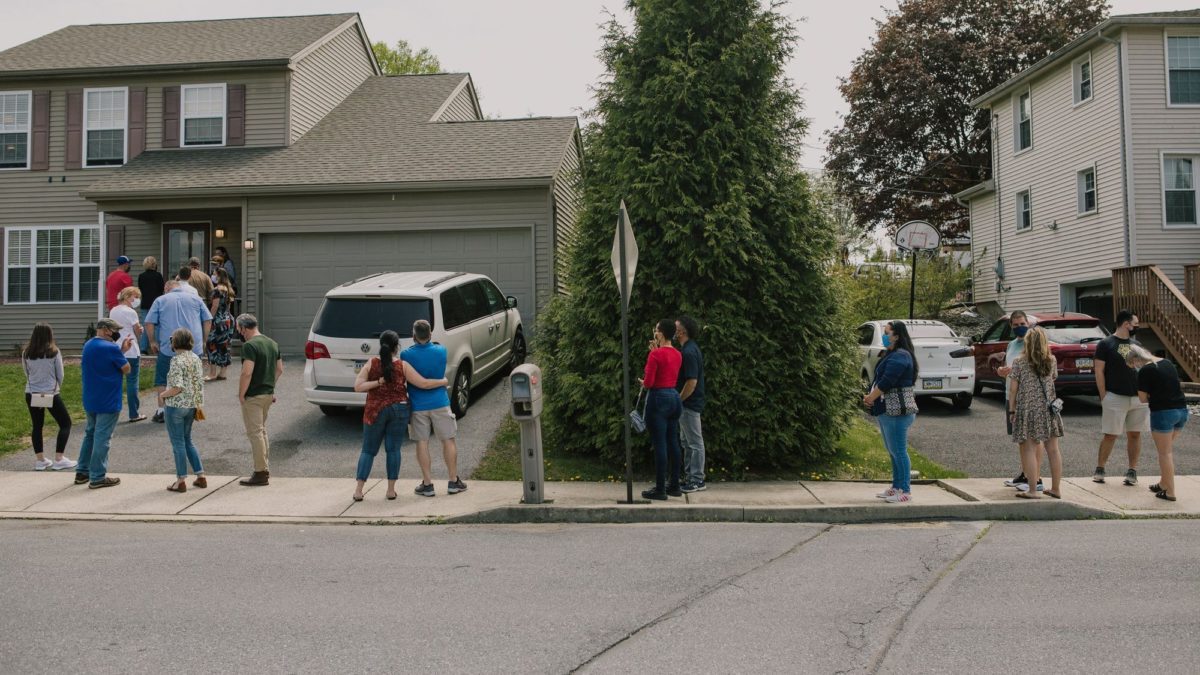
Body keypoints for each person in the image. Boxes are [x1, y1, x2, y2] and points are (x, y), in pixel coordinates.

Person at [351, 330, 447, 502]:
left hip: (375, 410)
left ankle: (359, 491)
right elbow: (423, 383)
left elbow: (358, 387)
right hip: (399, 409)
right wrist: (443, 381)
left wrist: (378, 382)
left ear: (381, 345)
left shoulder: (371, 363)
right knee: (393, 450)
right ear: (397, 347)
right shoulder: (402, 365)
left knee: (368, 450)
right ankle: (390, 490)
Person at [402, 319, 467, 497]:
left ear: (413, 335)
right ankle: (453, 481)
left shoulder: (405, 355)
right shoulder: (441, 351)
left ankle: (428, 484)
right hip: (440, 402)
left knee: (422, 442)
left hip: (417, 405)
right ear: (430, 334)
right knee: (448, 440)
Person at [863, 320, 919, 504]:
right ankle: (896, 486)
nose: (885, 336)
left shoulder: (901, 356)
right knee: (893, 451)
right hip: (887, 410)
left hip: (896, 411)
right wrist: (872, 395)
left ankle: (905, 491)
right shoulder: (892, 353)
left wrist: (872, 397)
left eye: (887, 333)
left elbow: (887, 381)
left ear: (896, 335)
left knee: (899, 451)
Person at [1093, 310, 1150, 485]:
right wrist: (1104, 396)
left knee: (1135, 434)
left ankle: (1132, 470)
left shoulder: (1136, 344)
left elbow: (1143, 369)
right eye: (1135, 324)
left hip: (1138, 398)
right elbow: (1099, 371)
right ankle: (1100, 468)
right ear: (1126, 324)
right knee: (1110, 434)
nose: (1137, 327)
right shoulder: (1105, 344)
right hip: (1115, 396)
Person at [1008, 326, 1065, 499]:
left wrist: (1012, 409)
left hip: (1028, 409)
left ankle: (1033, 490)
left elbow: (1013, 389)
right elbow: (1052, 379)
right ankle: (1056, 488)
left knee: (1029, 449)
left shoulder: (1019, 362)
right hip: (1049, 410)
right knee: (1053, 450)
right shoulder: (1051, 360)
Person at [75, 318, 133, 489]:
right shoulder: (111, 348)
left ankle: (82, 471)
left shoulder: (89, 345)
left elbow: (106, 362)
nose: (117, 333)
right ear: (107, 330)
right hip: (108, 399)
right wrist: (122, 351)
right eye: (115, 330)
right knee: (103, 437)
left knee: (90, 434)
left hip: (91, 397)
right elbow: (127, 369)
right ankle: (98, 476)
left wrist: (120, 351)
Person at [145, 279, 212, 424]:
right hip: (193, 347)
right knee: (193, 378)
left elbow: (149, 322)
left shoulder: (160, 300)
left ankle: (162, 411)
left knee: (163, 379)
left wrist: (152, 341)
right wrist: (205, 340)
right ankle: (193, 408)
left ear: (166, 288)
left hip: (169, 347)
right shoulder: (196, 299)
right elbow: (207, 320)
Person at [1127, 345, 1187, 502]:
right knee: (1166, 452)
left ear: (1136, 359)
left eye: (1133, 365)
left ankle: (1170, 492)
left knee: (1165, 454)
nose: (1135, 368)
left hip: (1162, 413)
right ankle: (1163, 483)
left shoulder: (1146, 371)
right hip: (1181, 411)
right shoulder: (1167, 363)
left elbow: (1142, 398)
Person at [158, 328, 208, 493]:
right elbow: (197, 383)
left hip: (176, 406)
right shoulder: (195, 358)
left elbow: (177, 387)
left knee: (178, 443)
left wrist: (163, 395)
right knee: (188, 440)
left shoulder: (176, 361)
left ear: (175, 342)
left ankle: (180, 480)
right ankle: (200, 476)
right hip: (192, 405)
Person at [22, 323, 76, 472]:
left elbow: (26, 372)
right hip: (50, 393)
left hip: (31, 392)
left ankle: (40, 461)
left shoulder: (26, 352)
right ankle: (59, 458)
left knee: (37, 426)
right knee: (65, 423)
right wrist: (56, 386)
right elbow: (61, 374)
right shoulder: (54, 352)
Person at [236, 314, 282, 487]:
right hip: (267, 395)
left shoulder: (249, 346)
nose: (238, 333)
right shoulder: (272, 343)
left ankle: (260, 472)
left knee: (255, 433)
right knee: (262, 431)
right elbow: (279, 369)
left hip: (254, 396)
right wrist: (270, 386)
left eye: (238, 329)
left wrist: (241, 394)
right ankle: (264, 468)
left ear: (244, 328)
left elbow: (246, 372)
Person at [639, 319, 683, 500]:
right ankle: (674, 485)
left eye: (656, 330)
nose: (654, 333)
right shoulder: (678, 354)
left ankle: (660, 488)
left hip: (658, 399)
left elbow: (649, 382)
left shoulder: (655, 355)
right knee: (673, 442)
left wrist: (643, 382)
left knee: (660, 444)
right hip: (674, 397)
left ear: (662, 333)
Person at [675, 315, 707, 493]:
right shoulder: (688, 349)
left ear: (681, 332)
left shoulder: (688, 352)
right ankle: (690, 477)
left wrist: (679, 399)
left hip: (689, 404)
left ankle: (697, 480)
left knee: (694, 442)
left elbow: (692, 381)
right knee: (686, 441)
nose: (673, 330)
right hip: (688, 404)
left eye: (676, 327)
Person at [109, 287, 147, 422]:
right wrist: (140, 333)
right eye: (135, 297)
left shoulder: (113, 310)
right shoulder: (130, 312)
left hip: (117, 349)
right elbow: (137, 329)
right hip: (131, 349)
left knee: (116, 381)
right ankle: (134, 413)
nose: (136, 300)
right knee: (132, 382)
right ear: (128, 296)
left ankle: (112, 411)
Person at [205, 268, 236, 381]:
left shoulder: (217, 290)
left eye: (213, 274)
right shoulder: (229, 289)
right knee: (223, 345)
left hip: (217, 321)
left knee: (211, 344)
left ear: (218, 276)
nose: (212, 276)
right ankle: (223, 372)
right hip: (228, 319)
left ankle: (212, 373)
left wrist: (209, 319)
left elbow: (215, 306)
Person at [137, 256, 164, 352]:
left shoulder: (141, 276)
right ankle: (156, 348)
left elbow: (140, 289)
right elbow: (162, 290)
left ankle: (143, 348)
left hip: (145, 303)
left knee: (145, 325)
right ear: (154, 264)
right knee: (156, 326)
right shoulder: (158, 276)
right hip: (156, 304)